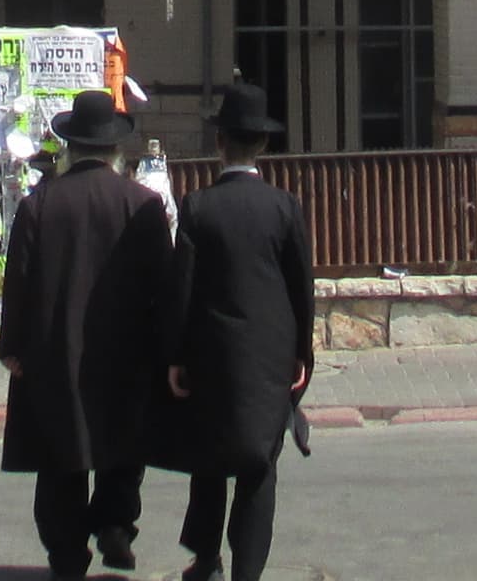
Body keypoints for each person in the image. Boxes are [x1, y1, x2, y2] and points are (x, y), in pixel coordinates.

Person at [0, 87, 176, 581]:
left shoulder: (40, 204)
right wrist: (167, 349)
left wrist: (13, 347)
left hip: (57, 351)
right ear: (116, 150)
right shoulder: (142, 204)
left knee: (62, 456)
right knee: (124, 444)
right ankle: (116, 523)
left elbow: (20, 281)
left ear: (70, 148)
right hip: (127, 351)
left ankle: (67, 553)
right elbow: (162, 282)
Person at [156, 81, 314, 581]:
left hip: (211, 355)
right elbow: (301, 288)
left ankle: (205, 559)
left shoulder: (198, 207)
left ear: (219, 143)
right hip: (271, 355)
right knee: (259, 464)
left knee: (209, 460)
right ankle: (249, 569)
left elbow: (182, 288)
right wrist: (301, 352)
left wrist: (176, 356)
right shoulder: (284, 208)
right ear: (263, 146)